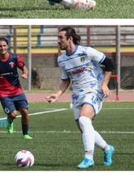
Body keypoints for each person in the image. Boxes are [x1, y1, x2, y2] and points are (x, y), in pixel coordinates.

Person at [46, 27, 115, 169]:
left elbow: (109, 63)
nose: (58, 41)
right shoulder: (62, 59)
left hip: (94, 90)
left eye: (61, 38)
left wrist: (105, 85)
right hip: (77, 94)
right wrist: (57, 95)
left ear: (70, 39)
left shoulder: (87, 51)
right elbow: (66, 80)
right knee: (85, 128)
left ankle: (88, 158)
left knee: (84, 119)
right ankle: (108, 148)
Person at [0, 37, 32, 139]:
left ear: (8, 46)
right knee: (13, 114)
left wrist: (25, 74)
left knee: (24, 111)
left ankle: (25, 134)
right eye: (0, 46)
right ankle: (9, 121)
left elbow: (24, 67)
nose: (2, 48)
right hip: (3, 93)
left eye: (4, 46)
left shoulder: (14, 58)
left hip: (17, 90)